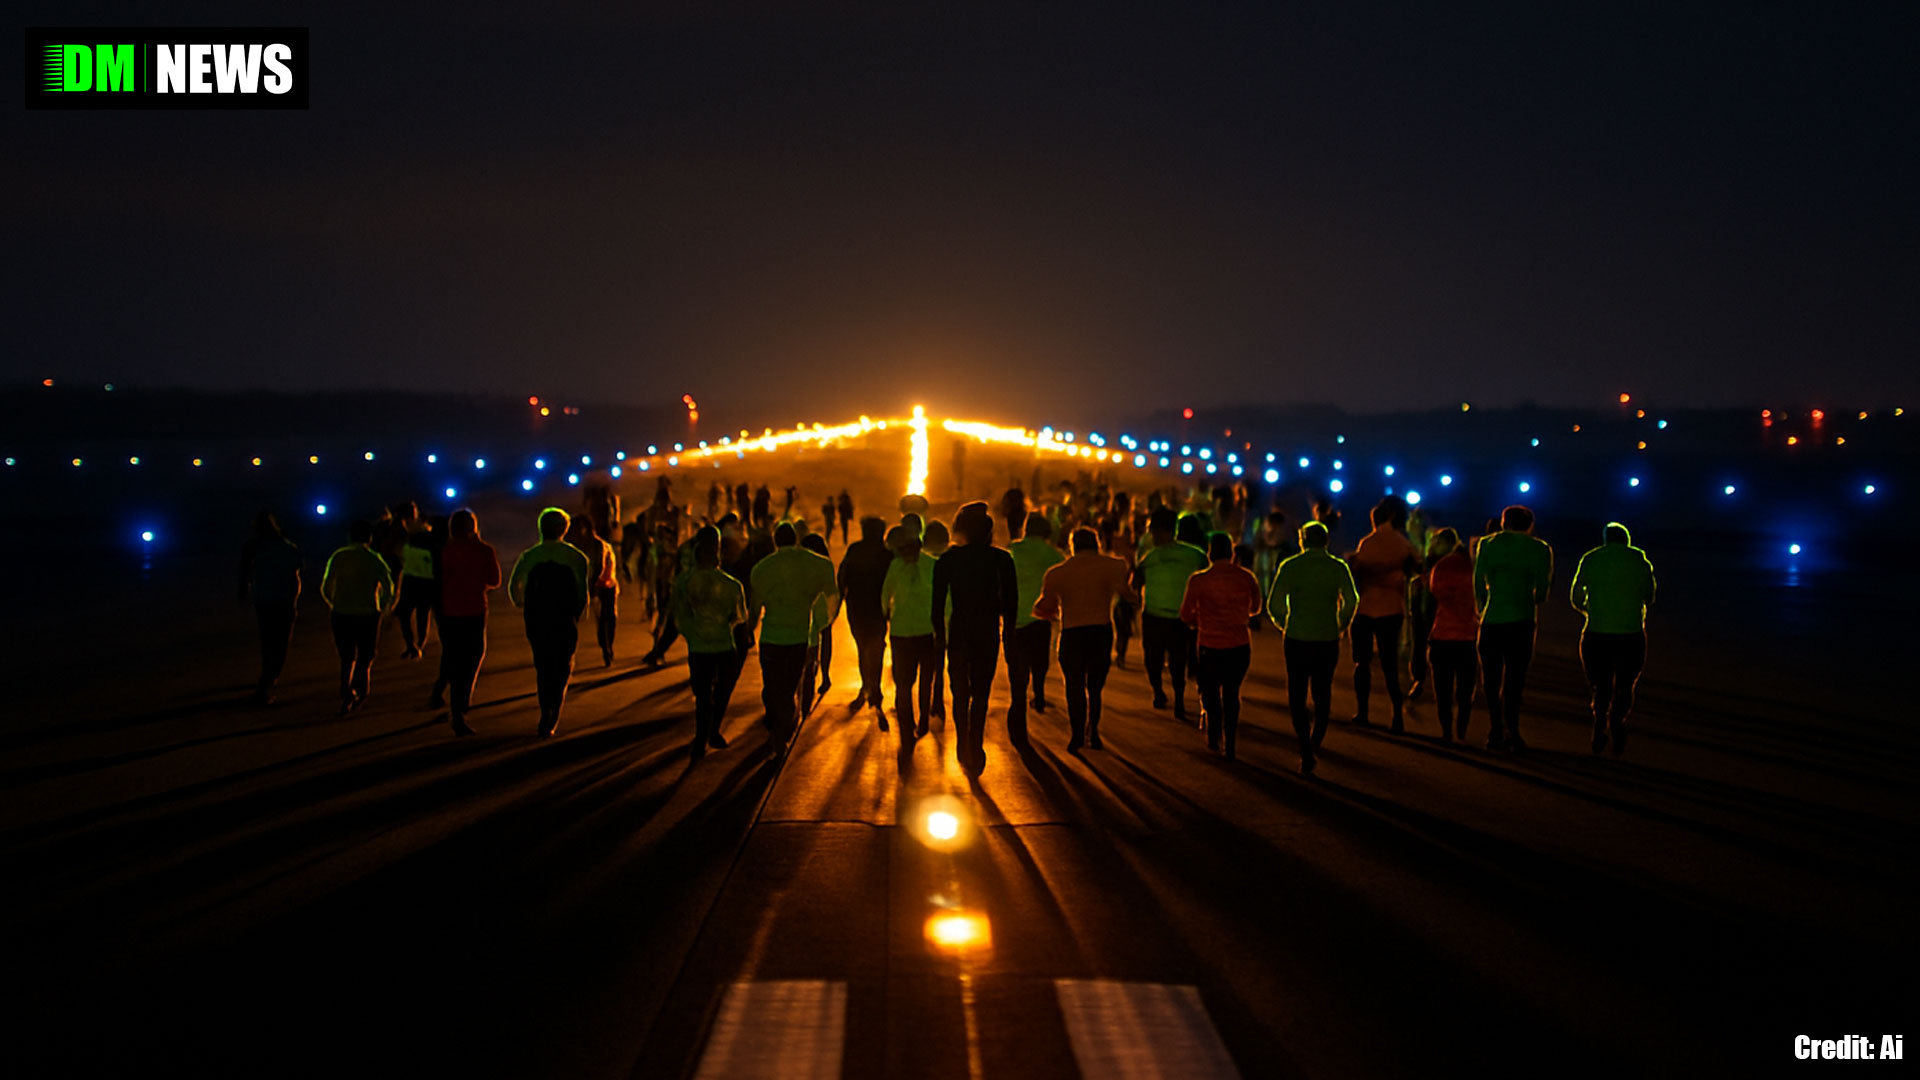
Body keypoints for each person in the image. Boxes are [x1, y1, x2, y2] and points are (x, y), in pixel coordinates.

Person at [932, 503, 1018, 775]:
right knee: (981, 692)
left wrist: (939, 637)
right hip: (987, 631)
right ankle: (975, 741)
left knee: (959, 692)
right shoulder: (1002, 560)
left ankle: (961, 740)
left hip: (958, 632)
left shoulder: (948, 560)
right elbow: (1011, 603)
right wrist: (1009, 633)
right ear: (990, 531)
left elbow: (936, 606)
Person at [1033, 527, 1136, 751]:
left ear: (1073, 546)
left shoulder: (1057, 573)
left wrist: (1050, 612)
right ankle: (1094, 731)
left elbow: (1044, 608)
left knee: (1074, 686)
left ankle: (1077, 734)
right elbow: (1127, 595)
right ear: (1096, 544)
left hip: (1072, 633)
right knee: (1095, 688)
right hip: (1101, 631)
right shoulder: (1114, 566)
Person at [1269, 521, 1358, 775]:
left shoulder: (1291, 566)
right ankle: (1317, 738)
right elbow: (1351, 600)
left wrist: (1284, 623)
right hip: (1327, 637)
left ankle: (1305, 746)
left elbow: (1274, 603)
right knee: (1322, 691)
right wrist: (1340, 624)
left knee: (1296, 693)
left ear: (1302, 540)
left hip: (1297, 637)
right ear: (1326, 541)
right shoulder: (1337, 567)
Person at [750, 522, 839, 753]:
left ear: (775, 541)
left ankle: (775, 731)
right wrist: (823, 623)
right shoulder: (816, 564)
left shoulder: (762, 568)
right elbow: (832, 596)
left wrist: (748, 631)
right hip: (798, 638)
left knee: (771, 687)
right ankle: (781, 737)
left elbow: (754, 609)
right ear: (795, 540)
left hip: (771, 638)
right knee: (789, 690)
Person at [1473, 505, 1554, 752]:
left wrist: (1482, 607)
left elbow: (1478, 580)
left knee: (1491, 678)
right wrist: (1530, 597)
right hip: (1522, 620)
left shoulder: (1487, 544)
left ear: (1504, 522)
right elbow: (1542, 590)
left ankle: (1495, 728)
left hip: (1493, 618)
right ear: (1529, 525)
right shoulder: (1540, 549)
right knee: (1515, 679)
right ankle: (1513, 729)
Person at [1570, 522, 1656, 754]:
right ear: (1626, 539)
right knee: (1626, 683)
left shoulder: (1591, 558)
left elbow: (1576, 596)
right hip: (1630, 633)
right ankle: (1618, 719)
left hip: (1597, 632)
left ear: (1606, 539)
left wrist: (1590, 609)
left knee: (1600, 683)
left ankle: (1599, 719)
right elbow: (1649, 595)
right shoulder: (1639, 560)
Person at [1180, 532, 1265, 759]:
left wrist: (1199, 620)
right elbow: (1255, 608)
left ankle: (1214, 734)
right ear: (1232, 553)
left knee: (1210, 693)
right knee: (1231, 693)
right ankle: (1231, 742)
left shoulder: (1199, 580)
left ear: (1210, 553)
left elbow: (1185, 614)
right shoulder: (1246, 578)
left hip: (1209, 645)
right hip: (1239, 645)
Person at [508, 508, 592, 738]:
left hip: (537, 618)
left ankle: (546, 710)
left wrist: (522, 603)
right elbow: (582, 592)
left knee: (543, 666)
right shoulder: (576, 557)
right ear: (564, 529)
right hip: (564, 619)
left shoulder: (530, 555)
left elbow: (514, 585)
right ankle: (555, 711)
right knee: (563, 666)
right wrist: (578, 614)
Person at [1347, 501, 1421, 733]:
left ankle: (1363, 712)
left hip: (1366, 607)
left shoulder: (1367, 543)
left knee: (1362, 662)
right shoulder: (1404, 545)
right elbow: (1418, 568)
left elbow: (1357, 572)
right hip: (1391, 608)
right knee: (1390, 666)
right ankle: (1396, 716)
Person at [674, 525, 747, 758]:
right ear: (717, 557)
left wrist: (694, 633)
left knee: (702, 696)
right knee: (722, 692)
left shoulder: (684, 583)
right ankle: (713, 731)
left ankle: (700, 738)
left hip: (698, 648)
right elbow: (738, 617)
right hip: (724, 646)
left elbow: (679, 617)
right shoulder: (732, 585)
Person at [430, 509, 501, 736]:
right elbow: (495, 580)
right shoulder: (483, 550)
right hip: (474, 610)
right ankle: (460, 707)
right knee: (472, 658)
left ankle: (453, 704)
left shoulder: (445, 550)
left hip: (448, 610)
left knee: (453, 658)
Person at [1135, 507, 1208, 722]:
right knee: (1178, 660)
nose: (1152, 535)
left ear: (1163, 531)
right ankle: (1177, 700)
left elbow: (1135, 583)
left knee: (1154, 660)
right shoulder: (1195, 555)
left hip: (1156, 616)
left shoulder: (1149, 558)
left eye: (1153, 531)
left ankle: (1160, 693)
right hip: (1179, 618)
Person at [320, 519, 396, 715]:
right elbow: (388, 586)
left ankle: (346, 688)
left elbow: (326, 586)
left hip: (341, 613)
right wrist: (384, 607)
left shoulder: (338, 557)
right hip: (368, 614)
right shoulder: (374, 559)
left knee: (346, 655)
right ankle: (361, 690)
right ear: (369, 538)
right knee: (365, 655)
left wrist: (334, 603)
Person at [1008, 511, 1065, 733]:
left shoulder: (1012, 551)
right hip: (1041, 615)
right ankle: (1039, 694)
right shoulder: (1055, 555)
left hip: (1015, 616)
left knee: (1017, 660)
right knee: (1039, 658)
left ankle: (1019, 698)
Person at [238, 511, 303, 705]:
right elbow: (296, 574)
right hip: (284, 600)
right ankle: (268, 681)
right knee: (281, 643)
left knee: (268, 642)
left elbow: (244, 572)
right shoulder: (288, 547)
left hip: (264, 599)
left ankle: (267, 680)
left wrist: (244, 591)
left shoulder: (253, 546)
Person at [880, 525, 939, 740]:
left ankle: (914, 720)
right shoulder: (927, 565)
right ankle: (914, 719)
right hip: (916, 631)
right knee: (914, 680)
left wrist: (885, 613)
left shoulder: (905, 566)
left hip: (911, 631)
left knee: (911, 681)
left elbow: (886, 596)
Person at [1423, 528, 1478, 741]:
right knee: (1465, 691)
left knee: (1442, 690)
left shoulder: (1441, 566)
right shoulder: (1472, 567)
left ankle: (1446, 730)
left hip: (1442, 635)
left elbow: (1434, 598)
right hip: (1468, 637)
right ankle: (1461, 730)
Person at [837, 515, 893, 710]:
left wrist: (840, 598)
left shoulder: (855, 550)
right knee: (877, 648)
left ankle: (866, 686)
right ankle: (874, 686)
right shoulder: (887, 554)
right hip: (879, 609)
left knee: (862, 648)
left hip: (856, 607)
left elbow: (842, 576)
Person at [570, 518, 620, 667]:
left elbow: (599, 566)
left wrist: (590, 586)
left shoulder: (598, 545)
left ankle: (607, 648)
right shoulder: (583, 545)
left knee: (607, 619)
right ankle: (606, 648)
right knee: (603, 620)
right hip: (600, 584)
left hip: (606, 585)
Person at [799, 532, 838, 716]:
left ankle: (811, 673)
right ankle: (825, 675)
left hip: (809, 606)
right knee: (826, 638)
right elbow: (832, 589)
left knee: (810, 640)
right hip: (823, 607)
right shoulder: (825, 563)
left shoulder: (802, 564)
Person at [394, 510, 441, 659]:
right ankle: (416, 645)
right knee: (420, 614)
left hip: (416, 580)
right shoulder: (421, 538)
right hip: (423, 580)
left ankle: (414, 645)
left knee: (410, 614)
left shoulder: (417, 539)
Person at [921, 519, 952, 722]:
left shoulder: (922, 562)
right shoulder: (953, 560)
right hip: (951, 621)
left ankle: (927, 707)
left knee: (928, 667)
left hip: (925, 622)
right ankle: (938, 700)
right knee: (941, 664)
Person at [1405, 508, 1435, 699]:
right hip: (1422, 600)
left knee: (1423, 642)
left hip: (1429, 600)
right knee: (1420, 642)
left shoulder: (1430, 543)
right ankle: (1419, 679)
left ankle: (1421, 680)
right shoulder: (1412, 546)